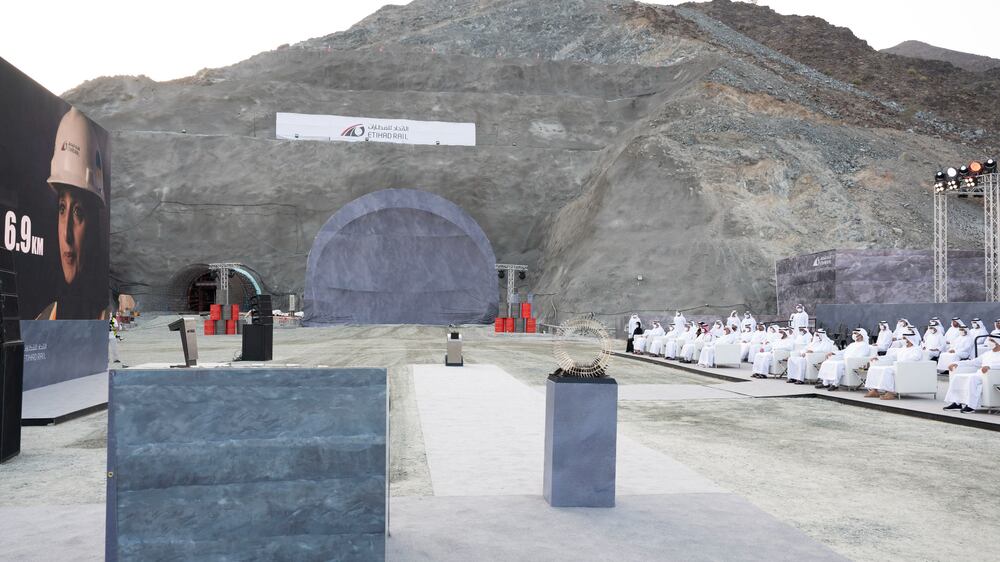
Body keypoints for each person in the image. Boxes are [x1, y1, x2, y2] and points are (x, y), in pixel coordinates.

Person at [36, 107, 109, 320]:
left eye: (78, 212)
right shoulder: (42, 319)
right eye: (62, 208)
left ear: (94, 222)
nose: (66, 235)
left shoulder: (108, 321)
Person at [944, 335, 1000, 413]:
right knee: (957, 377)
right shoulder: (987, 354)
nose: (989, 342)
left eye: (992, 340)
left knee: (972, 378)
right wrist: (957, 363)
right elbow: (973, 362)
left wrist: (990, 367)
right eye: (989, 340)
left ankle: (971, 406)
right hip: (980, 374)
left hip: (992, 376)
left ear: (998, 342)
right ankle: (957, 403)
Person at [865, 331, 923, 399]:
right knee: (873, 368)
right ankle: (874, 390)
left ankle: (890, 393)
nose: (904, 341)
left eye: (906, 339)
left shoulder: (917, 349)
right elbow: (892, 357)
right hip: (898, 366)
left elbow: (915, 358)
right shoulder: (903, 349)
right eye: (904, 339)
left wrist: (901, 363)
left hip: (908, 368)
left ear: (911, 339)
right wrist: (878, 358)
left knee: (887, 370)